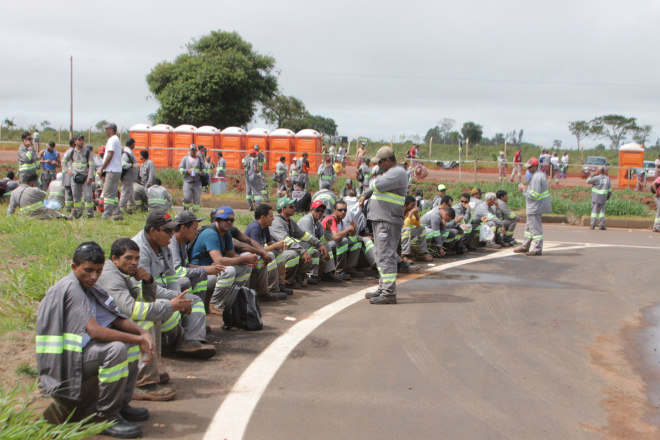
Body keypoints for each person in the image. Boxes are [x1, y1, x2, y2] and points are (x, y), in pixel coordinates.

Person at [36, 242, 154, 438]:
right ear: (74, 267)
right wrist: (138, 337)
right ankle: (106, 417)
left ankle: (121, 404)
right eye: (88, 270)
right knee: (116, 349)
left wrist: (142, 334)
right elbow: (96, 332)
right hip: (64, 363)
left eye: (98, 271)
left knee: (129, 343)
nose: (93, 276)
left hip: (81, 353)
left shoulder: (88, 286)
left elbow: (115, 318)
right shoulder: (71, 288)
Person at [97, 238, 180, 402]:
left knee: (152, 316)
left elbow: (145, 302)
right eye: (129, 258)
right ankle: (142, 383)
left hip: (110, 321)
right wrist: (171, 306)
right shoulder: (110, 276)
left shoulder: (123, 273)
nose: (134, 263)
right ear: (114, 259)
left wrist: (148, 282)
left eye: (136, 258)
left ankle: (148, 371)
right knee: (145, 322)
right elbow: (131, 309)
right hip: (99, 327)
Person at [132, 211, 215, 357]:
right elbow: (145, 289)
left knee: (189, 298)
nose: (172, 234)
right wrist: (178, 298)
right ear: (153, 231)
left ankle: (192, 340)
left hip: (162, 291)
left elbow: (171, 276)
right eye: (168, 230)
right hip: (145, 297)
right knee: (190, 300)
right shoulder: (138, 250)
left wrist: (178, 296)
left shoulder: (163, 245)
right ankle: (181, 340)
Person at [360, 146, 408, 305]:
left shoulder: (397, 172)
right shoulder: (389, 173)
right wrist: (366, 193)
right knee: (381, 255)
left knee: (386, 255)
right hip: (382, 219)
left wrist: (375, 180)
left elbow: (375, 185)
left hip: (387, 220)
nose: (378, 166)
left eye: (380, 162)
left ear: (388, 160)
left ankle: (388, 293)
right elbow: (374, 187)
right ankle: (384, 287)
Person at [188, 206, 258, 313]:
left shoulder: (226, 233)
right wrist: (244, 259)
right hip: (201, 273)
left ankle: (233, 300)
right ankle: (215, 304)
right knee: (228, 271)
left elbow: (233, 255)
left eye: (231, 220)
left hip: (214, 270)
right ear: (217, 220)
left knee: (245, 268)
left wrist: (247, 261)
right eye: (225, 220)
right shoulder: (211, 234)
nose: (229, 222)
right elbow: (219, 261)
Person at [168, 211, 226, 301]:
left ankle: (199, 305)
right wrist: (205, 270)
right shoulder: (171, 242)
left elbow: (187, 266)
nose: (197, 232)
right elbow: (177, 271)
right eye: (194, 229)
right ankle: (191, 304)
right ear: (183, 228)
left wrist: (208, 268)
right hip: (167, 284)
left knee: (201, 275)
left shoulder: (182, 242)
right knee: (187, 280)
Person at [243, 204, 298, 298]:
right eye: (271, 216)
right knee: (271, 255)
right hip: (251, 256)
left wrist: (279, 246)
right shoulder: (255, 228)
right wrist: (275, 246)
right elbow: (257, 250)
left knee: (279, 253)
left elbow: (269, 244)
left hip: (259, 254)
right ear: (263, 217)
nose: (273, 219)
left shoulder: (265, 227)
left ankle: (280, 284)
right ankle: (271, 289)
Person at [270, 197, 324, 288]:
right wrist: (303, 252)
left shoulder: (290, 221)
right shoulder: (276, 222)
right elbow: (286, 241)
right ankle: (287, 281)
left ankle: (299, 275)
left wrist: (319, 243)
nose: (294, 208)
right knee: (293, 254)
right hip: (275, 250)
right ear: (283, 209)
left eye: (294, 206)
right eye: (291, 206)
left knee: (307, 245)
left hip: (284, 249)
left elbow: (303, 235)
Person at [514, 158, 552, 256]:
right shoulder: (537, 175)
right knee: (529, 228)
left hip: (535, 207)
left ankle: (537, 249)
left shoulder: (537, 177)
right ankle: (525, 246)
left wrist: (524, 190)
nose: (528, 169)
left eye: (530, 167)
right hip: (533, 207)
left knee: (536, 229)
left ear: (535, 166)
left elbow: (535, 194)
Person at [298, 200, 343, 282]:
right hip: (302, 245)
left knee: (327, 246)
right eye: (317, 210)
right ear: (311, 210)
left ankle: (329, 273)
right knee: (316, 251)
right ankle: (310, 275)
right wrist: (321, 246)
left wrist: (328, 229)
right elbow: (310, 238)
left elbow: (325, 239)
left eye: (322, 211)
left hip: (310, 244)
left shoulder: (317, 223)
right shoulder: (306, 220)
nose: (320, 212)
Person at [63, 137, 96, 219]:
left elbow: (92, 165)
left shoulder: (88, 152)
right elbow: (63, 161)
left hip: (85, 177)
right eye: (79, 140)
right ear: (75, 141)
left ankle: (90, 214)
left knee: (88, 196)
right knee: (76, 197)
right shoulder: (71, 152)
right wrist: (66, 170)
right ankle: (78, 212)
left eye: (82, 140)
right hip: (75, 177)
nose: (81, 142)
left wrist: (90, 177)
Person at [99, 123, 124, 220]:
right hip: (115, 170)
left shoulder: (112, 140)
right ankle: (117, 214)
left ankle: (106, 215)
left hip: (112, 170)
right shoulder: (115, 139)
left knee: (108, 194)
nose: (105, 131)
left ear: (111, 130)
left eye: (106, 129)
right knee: (112, 194)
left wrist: (102, 169)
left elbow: (109, 156)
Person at [401, 195, 433, 262]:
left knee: (422, 228)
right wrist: (412, 212)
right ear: (405, 205)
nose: (413, 207)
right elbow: (404, 225)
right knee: (407, 229)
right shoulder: (399, 212)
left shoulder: (408, 213)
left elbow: (418, 225)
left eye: (414, 205)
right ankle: (404, 255)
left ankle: (421, 253)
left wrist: (416, 214)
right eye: (412, 205)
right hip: (396, 235)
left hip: (403, 234)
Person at [178, 144, 206, 212]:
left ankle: (195, 212)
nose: (193, 152)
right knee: (187, 197)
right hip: (188, 182)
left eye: (194, 150)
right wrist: (187, 171)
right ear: (189, 150)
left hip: (197, 182)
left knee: (196, 199)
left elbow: (205, 169)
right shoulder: (185, 159)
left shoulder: (200, 159)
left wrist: (202, 172)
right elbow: (180, 169)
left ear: (196, 151)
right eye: (192, 150)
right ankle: (186, 210)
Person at [586, 166, 612, 230]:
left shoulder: (596, 178)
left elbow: (588, 181)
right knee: (602, 212)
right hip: (603, 197)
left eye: (597, 170)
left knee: (594, 212)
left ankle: (592, 225)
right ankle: (601, 225)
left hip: (596, 197)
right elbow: (609, 189)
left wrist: (592, 175)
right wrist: (608, 196)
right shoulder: (607, 179)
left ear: (599, 171)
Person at [119, 138, 140, 213]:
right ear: (132, 144)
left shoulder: (129, 152)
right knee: (126, 192)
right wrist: (132, 166)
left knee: (130, 193)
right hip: (127, 177)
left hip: (130, 178)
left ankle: (132, 208)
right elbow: (123, 164)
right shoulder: (127, 153)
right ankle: (121, 208)